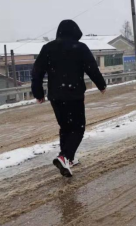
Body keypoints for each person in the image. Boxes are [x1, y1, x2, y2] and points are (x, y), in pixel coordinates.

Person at [32, 20, 107, 178]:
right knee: (78, 128)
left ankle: (68, 159)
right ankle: (64, 157)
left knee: (65, 127)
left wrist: (38, 92)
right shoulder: (80, 48)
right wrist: (101, 84)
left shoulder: (48, 48)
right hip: (74, 94)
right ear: (75, 32)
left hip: (55, 96)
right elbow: (92, 68)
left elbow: (36, 71)